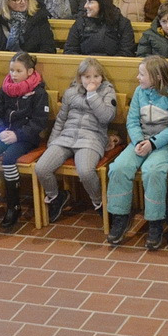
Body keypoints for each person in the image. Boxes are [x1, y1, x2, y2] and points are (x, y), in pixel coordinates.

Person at [104, 55, 168, 249]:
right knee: (119, 168)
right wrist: (139, 141)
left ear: (157, 76)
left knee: (153, 171)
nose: (138, 78)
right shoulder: (139, 92)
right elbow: (132, 121)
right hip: (139, 141)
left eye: (142, 74)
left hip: (162, 145)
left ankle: (155, 222)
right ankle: (120, 217)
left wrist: (152, 144)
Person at [0, 51, 51, 230]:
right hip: (4, 134)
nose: (13, 75)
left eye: (18, 71)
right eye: (11, 70)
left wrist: (18, 135)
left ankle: (13, 206)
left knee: (9, 160)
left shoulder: (39, 93)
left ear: (29, 72)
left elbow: (39, 122)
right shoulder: (5, 89)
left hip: (26, 138)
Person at [36, 59, 116, 234]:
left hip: (91, 138)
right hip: (66, 137)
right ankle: (56, 197)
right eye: (87, 77)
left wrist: (93, 95)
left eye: (96, 76)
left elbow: (106, 117)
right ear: (80, 78)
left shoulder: (107, 92)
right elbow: (61, 120)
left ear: (102, 77)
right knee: (42, 167)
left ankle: (99, 203)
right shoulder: (71, 92)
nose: (92, 80)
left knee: (85, 171)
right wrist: (52, 143)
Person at [63, 0, 134, 57]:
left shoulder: (122, 23)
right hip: (84, 63)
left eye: (90, 2)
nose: (85, 6)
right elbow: (70, 50)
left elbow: (126, 52)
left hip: (114, 63)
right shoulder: (80, 23)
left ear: (102, 4)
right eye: (86, 2)